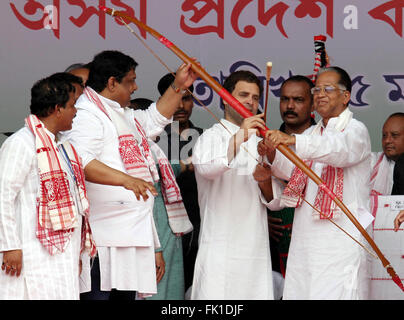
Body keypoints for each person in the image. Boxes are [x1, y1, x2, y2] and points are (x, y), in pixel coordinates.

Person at [62, 50, 197, 300]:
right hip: (100, 240)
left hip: (129, 235)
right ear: (112, 82)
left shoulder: (120, 113)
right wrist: (127, 180)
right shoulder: (87, 114)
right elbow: (81, 162)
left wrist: (179, 85)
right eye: (131, 80)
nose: (135, 87)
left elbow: (154, 119)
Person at [262, 66, 371, 299]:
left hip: (341, 243)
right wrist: (271, 153)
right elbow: (292, 169)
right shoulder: (311, 134)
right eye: (317, 89)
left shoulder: (355, 131)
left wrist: (292, 139)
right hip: (306, 243)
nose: (320, 94)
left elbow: (337, 150)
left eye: (328, 89)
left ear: (346, 96)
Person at [0, 72, 96, 299]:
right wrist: (9, 246)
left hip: (62, 257)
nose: (76, 111)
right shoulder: (21, 143)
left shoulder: (63, 147)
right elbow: (3, 195)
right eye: (73, 105)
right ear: (57, 108)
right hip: (30, 254)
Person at [191, 70, 274, 300]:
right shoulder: (210, 137)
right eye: (244, 94)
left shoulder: (262, 144)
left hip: (254, 250)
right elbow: (208, 168)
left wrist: (265, 180)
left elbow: (276, 201)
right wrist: (239, 137)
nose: (250, 101)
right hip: (219, 249)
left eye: (255, 97)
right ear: (226, 98)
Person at [129, 97, 191, 300]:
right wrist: (155, 249)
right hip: (153, 244)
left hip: (169, 237)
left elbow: (174, 167)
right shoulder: (134, 155)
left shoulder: (154, 150)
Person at [157, 73, 203, 295]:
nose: (181, 105)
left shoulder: (206, 139)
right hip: (164, 233)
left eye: (187, 98)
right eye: (176, 99)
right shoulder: (152, 141)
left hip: (199, 229)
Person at [267, 75, 315, 279]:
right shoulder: (265, 143)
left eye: (298, 100)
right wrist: (260, 220)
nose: (290, 106)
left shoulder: (324, 142)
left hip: (314, 240)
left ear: (313, 105)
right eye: (285, 99)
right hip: (274, 243)